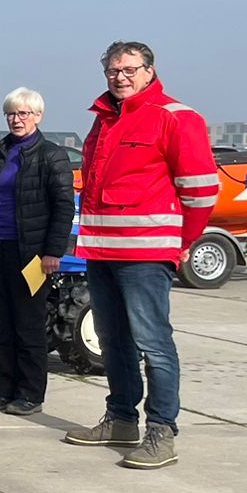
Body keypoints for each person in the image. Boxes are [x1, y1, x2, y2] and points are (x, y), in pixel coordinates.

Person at [64, 43, 218, 469]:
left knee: (154, 343)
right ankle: (120, 419)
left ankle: (162, 431)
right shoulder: (103, 120)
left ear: (150, 71)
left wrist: (181, 241)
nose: (121, 77)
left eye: (130, 69)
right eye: (113, 70)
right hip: (101, 251)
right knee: (114, 341)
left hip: (146, 254)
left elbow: (202, 191)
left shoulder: (176, 117)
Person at [0, 88, 76, 419]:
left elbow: (63, 208)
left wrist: (52, 252)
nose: (17, 119)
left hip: (31, 253)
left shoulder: (52, 156)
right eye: (12, 114)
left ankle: (29, 393)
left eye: (24, 113)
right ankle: (2, 389)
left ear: (38, 116)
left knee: (28, 324)